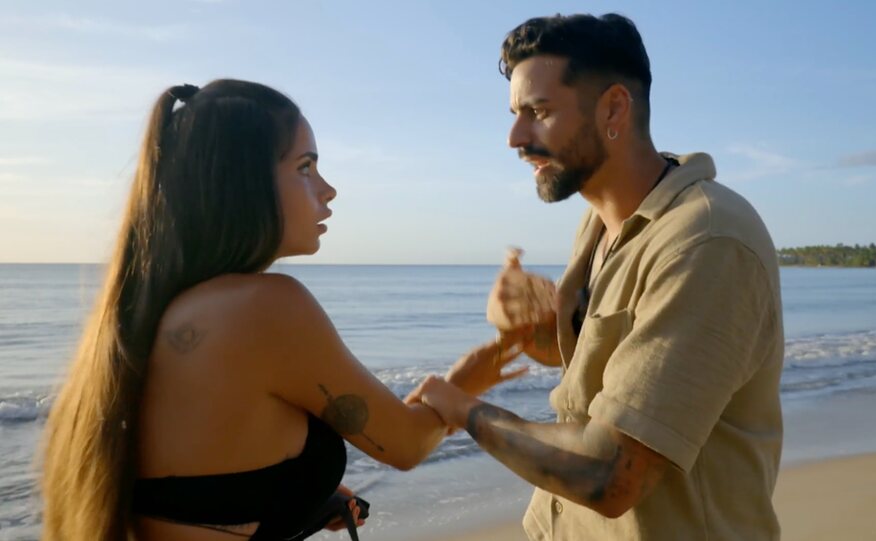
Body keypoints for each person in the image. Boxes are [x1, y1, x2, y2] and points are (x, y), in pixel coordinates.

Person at [40, 79, 526, 541]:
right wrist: (462, 385)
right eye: (305, 167)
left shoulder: (160, 311)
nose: (327, 189)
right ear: (241, 184)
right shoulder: (267, 306)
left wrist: (299, 498)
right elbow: (404, 444)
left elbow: (199, 483)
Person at [414, 13, 785, 540]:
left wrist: (463, 410)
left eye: (539, 112)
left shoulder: (707, 241)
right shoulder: (600, 224)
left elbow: (611, 473)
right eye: (516, 114)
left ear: (613, 108)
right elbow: (606, 368)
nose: (515, 137)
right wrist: (535, 334)